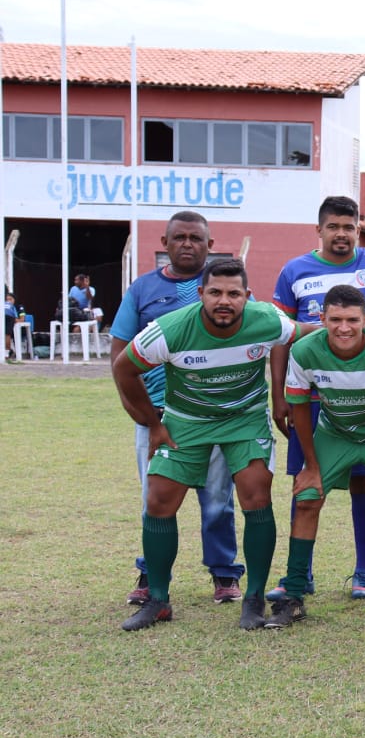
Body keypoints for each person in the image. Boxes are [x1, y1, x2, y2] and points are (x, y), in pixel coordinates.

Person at [114, 258, 309, 631]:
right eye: (215, 292)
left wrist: (353, 333)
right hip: (187, 422)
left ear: (247, 297)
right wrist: (153, 425)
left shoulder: (266, 319)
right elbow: (124, 367)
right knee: (158, 498)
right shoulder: (170, 330)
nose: (224, 300)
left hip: (244, 419)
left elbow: (304, 333)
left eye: (234, 294)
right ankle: (157, 599)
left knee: (256, 493)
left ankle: (253, 599)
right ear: (200, 293)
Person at [267, 195, 365, 600]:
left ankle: (363, 571)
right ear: (319, 229)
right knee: (306, 482)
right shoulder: (294, 271)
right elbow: (281, 338)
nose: (341, 234)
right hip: (313, 400)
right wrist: (278, 394)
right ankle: (302, 575)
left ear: (358, 230)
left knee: (362, 481)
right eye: (333, 226)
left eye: (348, 227)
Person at [112, 211, 245, 605]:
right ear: (165, 243)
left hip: (212, 412)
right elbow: (120, 353)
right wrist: (136, 411)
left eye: (196, 238)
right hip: (157, 416)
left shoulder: (223, 288)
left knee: (218, 498)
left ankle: (224, 574)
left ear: (210, 244)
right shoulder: (143, 289)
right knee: (154, 498)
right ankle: (151, 572)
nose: (188, 244)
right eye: (180, 237)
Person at [276, 285, 365, 630]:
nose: (344, 327)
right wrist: (310, 466)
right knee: (308, 499)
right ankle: (293, 596)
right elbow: (298, 407)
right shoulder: (305, 350)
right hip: (334, 433)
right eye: (336, 319)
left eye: (352, 320)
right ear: (322, 318)